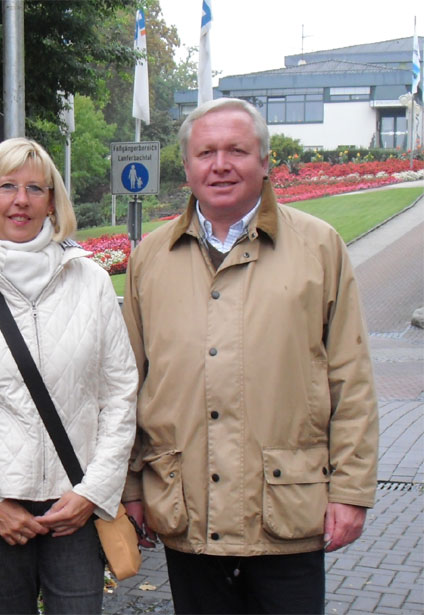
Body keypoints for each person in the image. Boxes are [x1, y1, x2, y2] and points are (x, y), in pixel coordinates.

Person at [122, 97, 379, 614]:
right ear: (188, 166)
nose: (220, 165)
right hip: (185, 507)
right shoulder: (150, 257)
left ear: (264, 162)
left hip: (285, 511)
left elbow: (350, 378)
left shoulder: (319, 247)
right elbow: (129, 380)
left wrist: (351, 491)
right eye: (206, 152)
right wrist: (129, 484)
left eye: (237, 150)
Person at [0, 137, 138, 614]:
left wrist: (92, 491)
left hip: (73, 504)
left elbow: (120, 394)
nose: (21, 200)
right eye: (7, 186)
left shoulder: (91, 282)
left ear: (52, 200)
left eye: (36, 188)